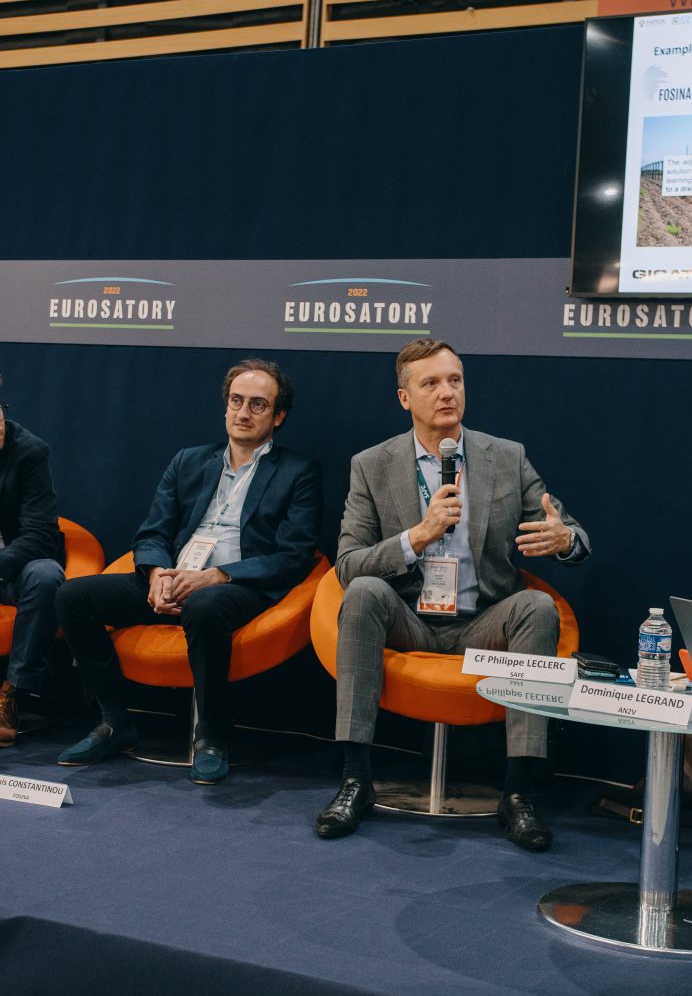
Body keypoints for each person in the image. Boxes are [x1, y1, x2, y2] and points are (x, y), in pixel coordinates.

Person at [315, 339, 589, 850]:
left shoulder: (506, 457)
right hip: (410, 618)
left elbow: (572, 532)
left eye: (455, 381)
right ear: (405, 398)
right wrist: (417, 537)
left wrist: (565, 540)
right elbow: (348, 564)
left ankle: (519, 793)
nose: (447, 393)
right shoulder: (371, 465)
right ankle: (356, 780)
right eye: (431, 383)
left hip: (483, 621)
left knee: (537, 606)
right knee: (365, 592)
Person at [56, 358, 322, 783]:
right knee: (72, 596)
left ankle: (212, 736)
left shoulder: (297, 472)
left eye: (258, 404)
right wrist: (157, 574)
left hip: (237, 585)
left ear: (278, 416)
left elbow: (293, 556)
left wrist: (218, 575)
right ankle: (114, 721)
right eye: (236, 401)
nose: (243, 412)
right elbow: (152, 531)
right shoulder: (189, 461)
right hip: (175, 578)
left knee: (205, 604)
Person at [0, 399, 66, 746]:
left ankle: (12, 695)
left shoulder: (29, 452)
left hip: (13, 568)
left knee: (46, 575)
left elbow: (41, 534)